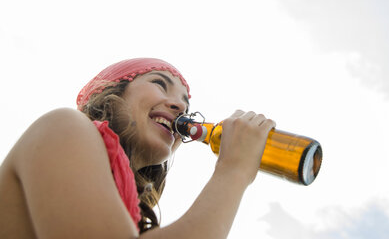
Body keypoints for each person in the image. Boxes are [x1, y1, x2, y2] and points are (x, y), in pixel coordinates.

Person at [0, 58, 276, 238]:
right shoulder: (63, 127)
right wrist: (233, 171)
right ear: (110, 92)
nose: (181, 107)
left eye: (186, 104)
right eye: (159, 83)